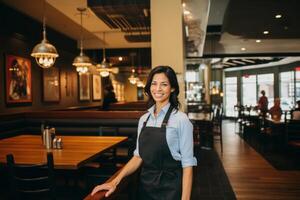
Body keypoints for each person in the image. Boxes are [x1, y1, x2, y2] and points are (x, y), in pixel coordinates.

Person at [91, 66, 197, 199]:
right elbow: (138, 156)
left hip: (171, 189)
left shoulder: (181, 120)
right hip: (146, 187)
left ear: (173, 88)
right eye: (154, 83)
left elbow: (187, 166)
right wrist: (114, 181)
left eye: (164, 84)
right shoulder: (144, 119)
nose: (158, 89)